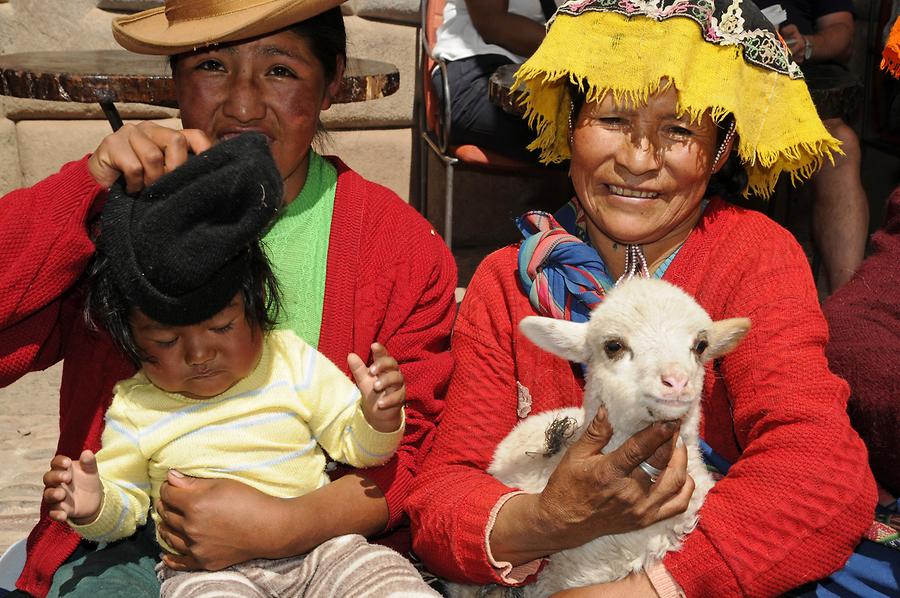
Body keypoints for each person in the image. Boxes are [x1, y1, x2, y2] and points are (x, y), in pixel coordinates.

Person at [407, 0, 877, 596]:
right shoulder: (508, 285)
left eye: (679, 130)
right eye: (610, 119)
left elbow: (820, 473)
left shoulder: (754, 257)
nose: (636, 160)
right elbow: (444, 492)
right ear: (569, 122)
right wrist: (550, 517)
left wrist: (642, 589)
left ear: (723, 147)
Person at [0, 1, 456, 596]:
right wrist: (83, 190)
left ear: (332, 81)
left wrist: (286, 523)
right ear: (174, 78)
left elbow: (418, 448)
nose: (242, 106)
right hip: (128, 541)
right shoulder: (127, 214)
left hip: (331, 540)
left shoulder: (396, 246)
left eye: (281, 70)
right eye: (212, 65)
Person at [41, 132, 438, 597]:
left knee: (388, 581)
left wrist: (377, 416)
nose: (199, 354)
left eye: (222, 328)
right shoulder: (135, 406)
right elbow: (126, 509)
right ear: (130, 340)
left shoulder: (288, 360)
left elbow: (357, 447)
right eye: (167, 340)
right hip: (204, 571)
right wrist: (94, 505)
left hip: (325, 551)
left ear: (256, 309)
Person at [757, 0, 869, 292]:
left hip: (800, 99)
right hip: (707, 94)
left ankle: (847, 304)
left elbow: (842, 33)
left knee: (841, 144)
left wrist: (806, 44)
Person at [430, 0, 564, 162]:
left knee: (587, 129)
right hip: (475, 72)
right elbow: (491, 22)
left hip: (537, 78)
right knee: (582, 131)